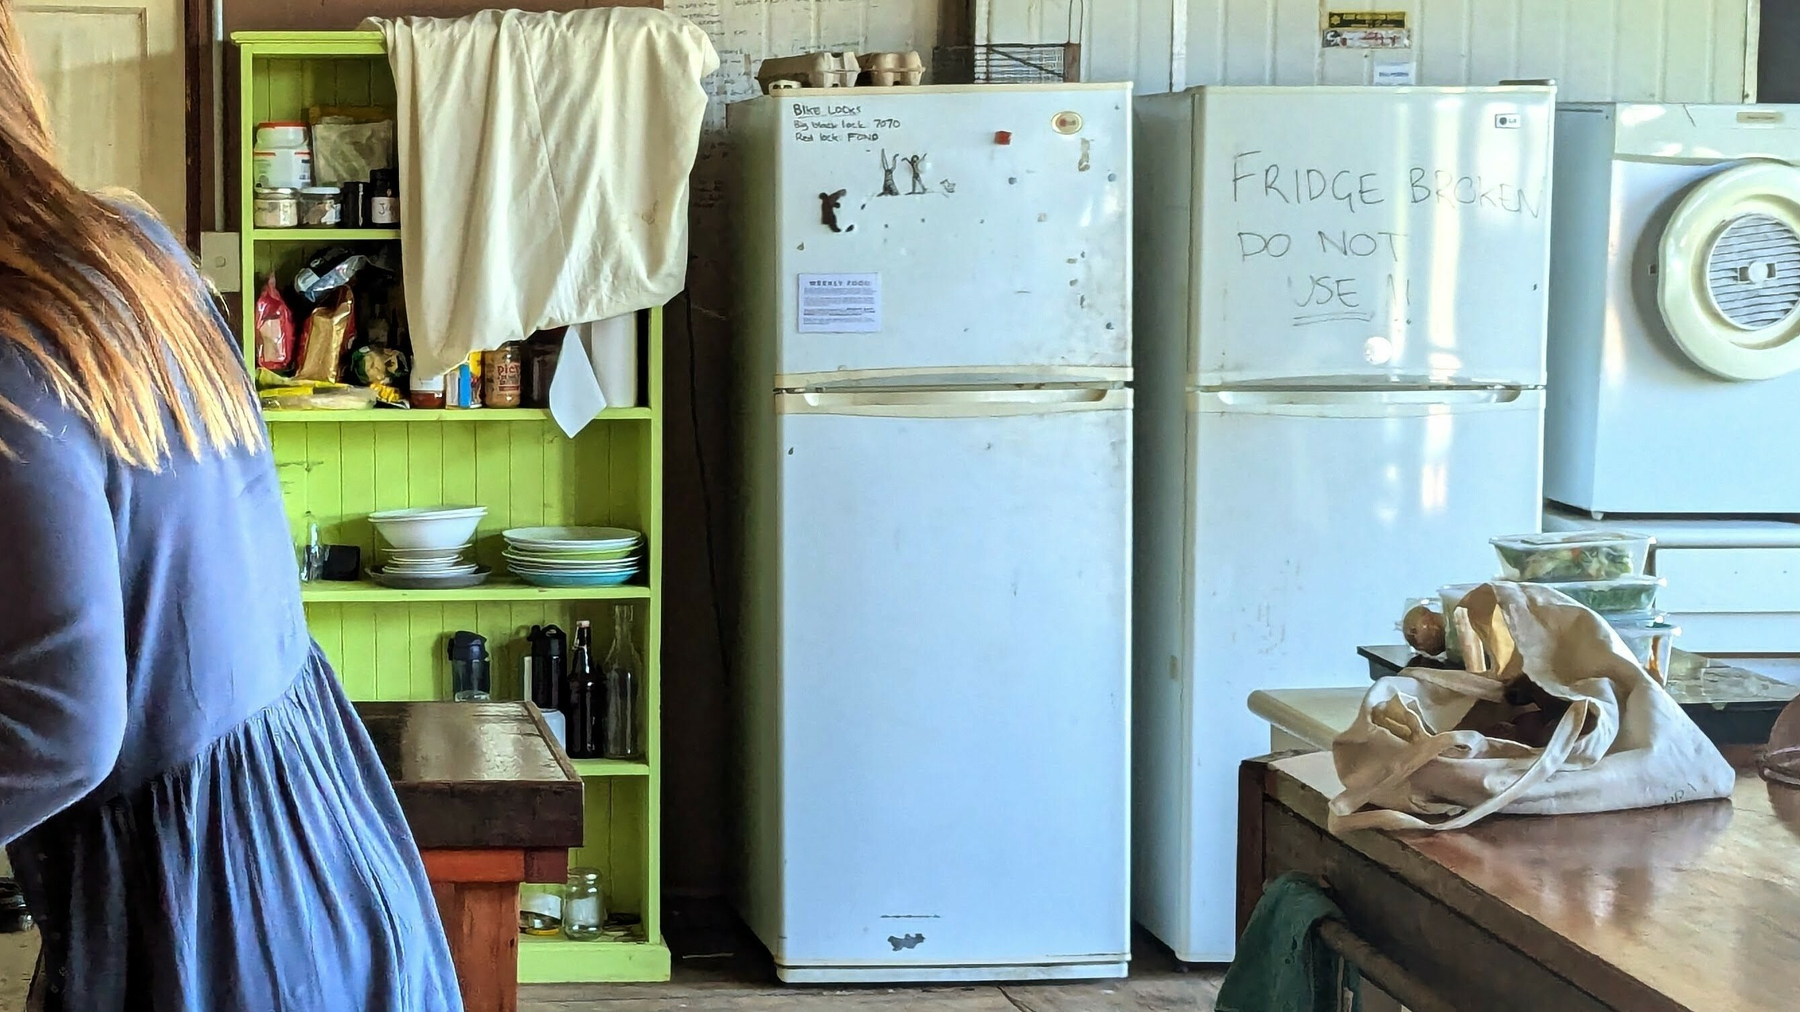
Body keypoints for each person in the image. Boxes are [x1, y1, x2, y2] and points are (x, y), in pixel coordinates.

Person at [0, 6, 463, 1010]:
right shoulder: (130, 243)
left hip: (209, 900)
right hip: (312, 827)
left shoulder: (12, 347)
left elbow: (62, 717)